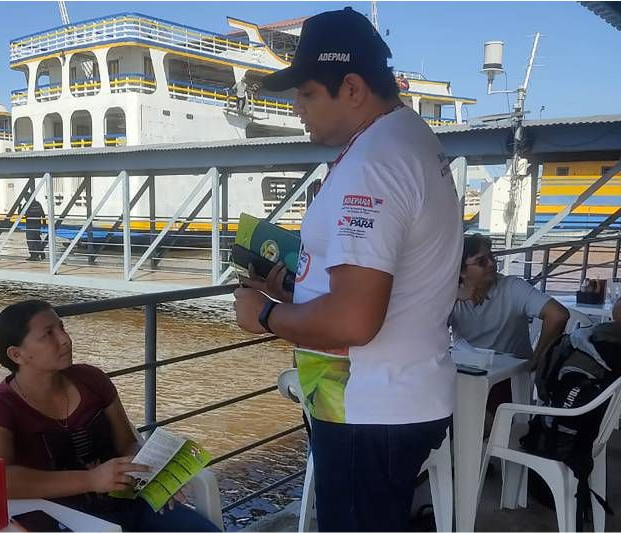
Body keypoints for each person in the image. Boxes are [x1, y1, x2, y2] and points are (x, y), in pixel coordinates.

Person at [233, 8, 463, 531]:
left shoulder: (374, 165)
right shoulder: (410, 141)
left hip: (369, 410)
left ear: (353, 87)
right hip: (392, 399)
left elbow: (356, 321)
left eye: (308, 93)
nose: (297, 107)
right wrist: (299, 290)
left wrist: (264, 314)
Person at [0, 300, 219, 532]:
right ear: (16, 355)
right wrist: (91, 480)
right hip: (60, 518)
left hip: (129, 503)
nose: (65, 339)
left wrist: (153, 473)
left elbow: (127, 443)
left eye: (62, 328)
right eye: (48, 334)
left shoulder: (92, 380)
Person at [450, 234, 570, 417]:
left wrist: (537, 358)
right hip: (465, 377)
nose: (491, 264)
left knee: (464, 416)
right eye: (481, 261)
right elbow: (425, 332)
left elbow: (558, 315)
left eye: (492, 257)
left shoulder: (512, 287)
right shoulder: (449, 295)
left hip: (507, 380)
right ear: (462, 271)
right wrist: (453, 298)